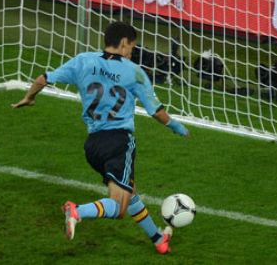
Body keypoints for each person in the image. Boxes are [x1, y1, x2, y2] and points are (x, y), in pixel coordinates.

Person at [11, 21, 189, 255]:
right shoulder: (134, 71)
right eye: (132, 47)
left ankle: (158, 239)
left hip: (93, 146)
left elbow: (44, 77)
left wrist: (29, 97)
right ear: (124, 43)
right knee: (119, 207)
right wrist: (176, 126)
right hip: (118, 142)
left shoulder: (83, 60)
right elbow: (156, 111)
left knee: (129, 192)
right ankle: (77, 212)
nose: (132, 52)